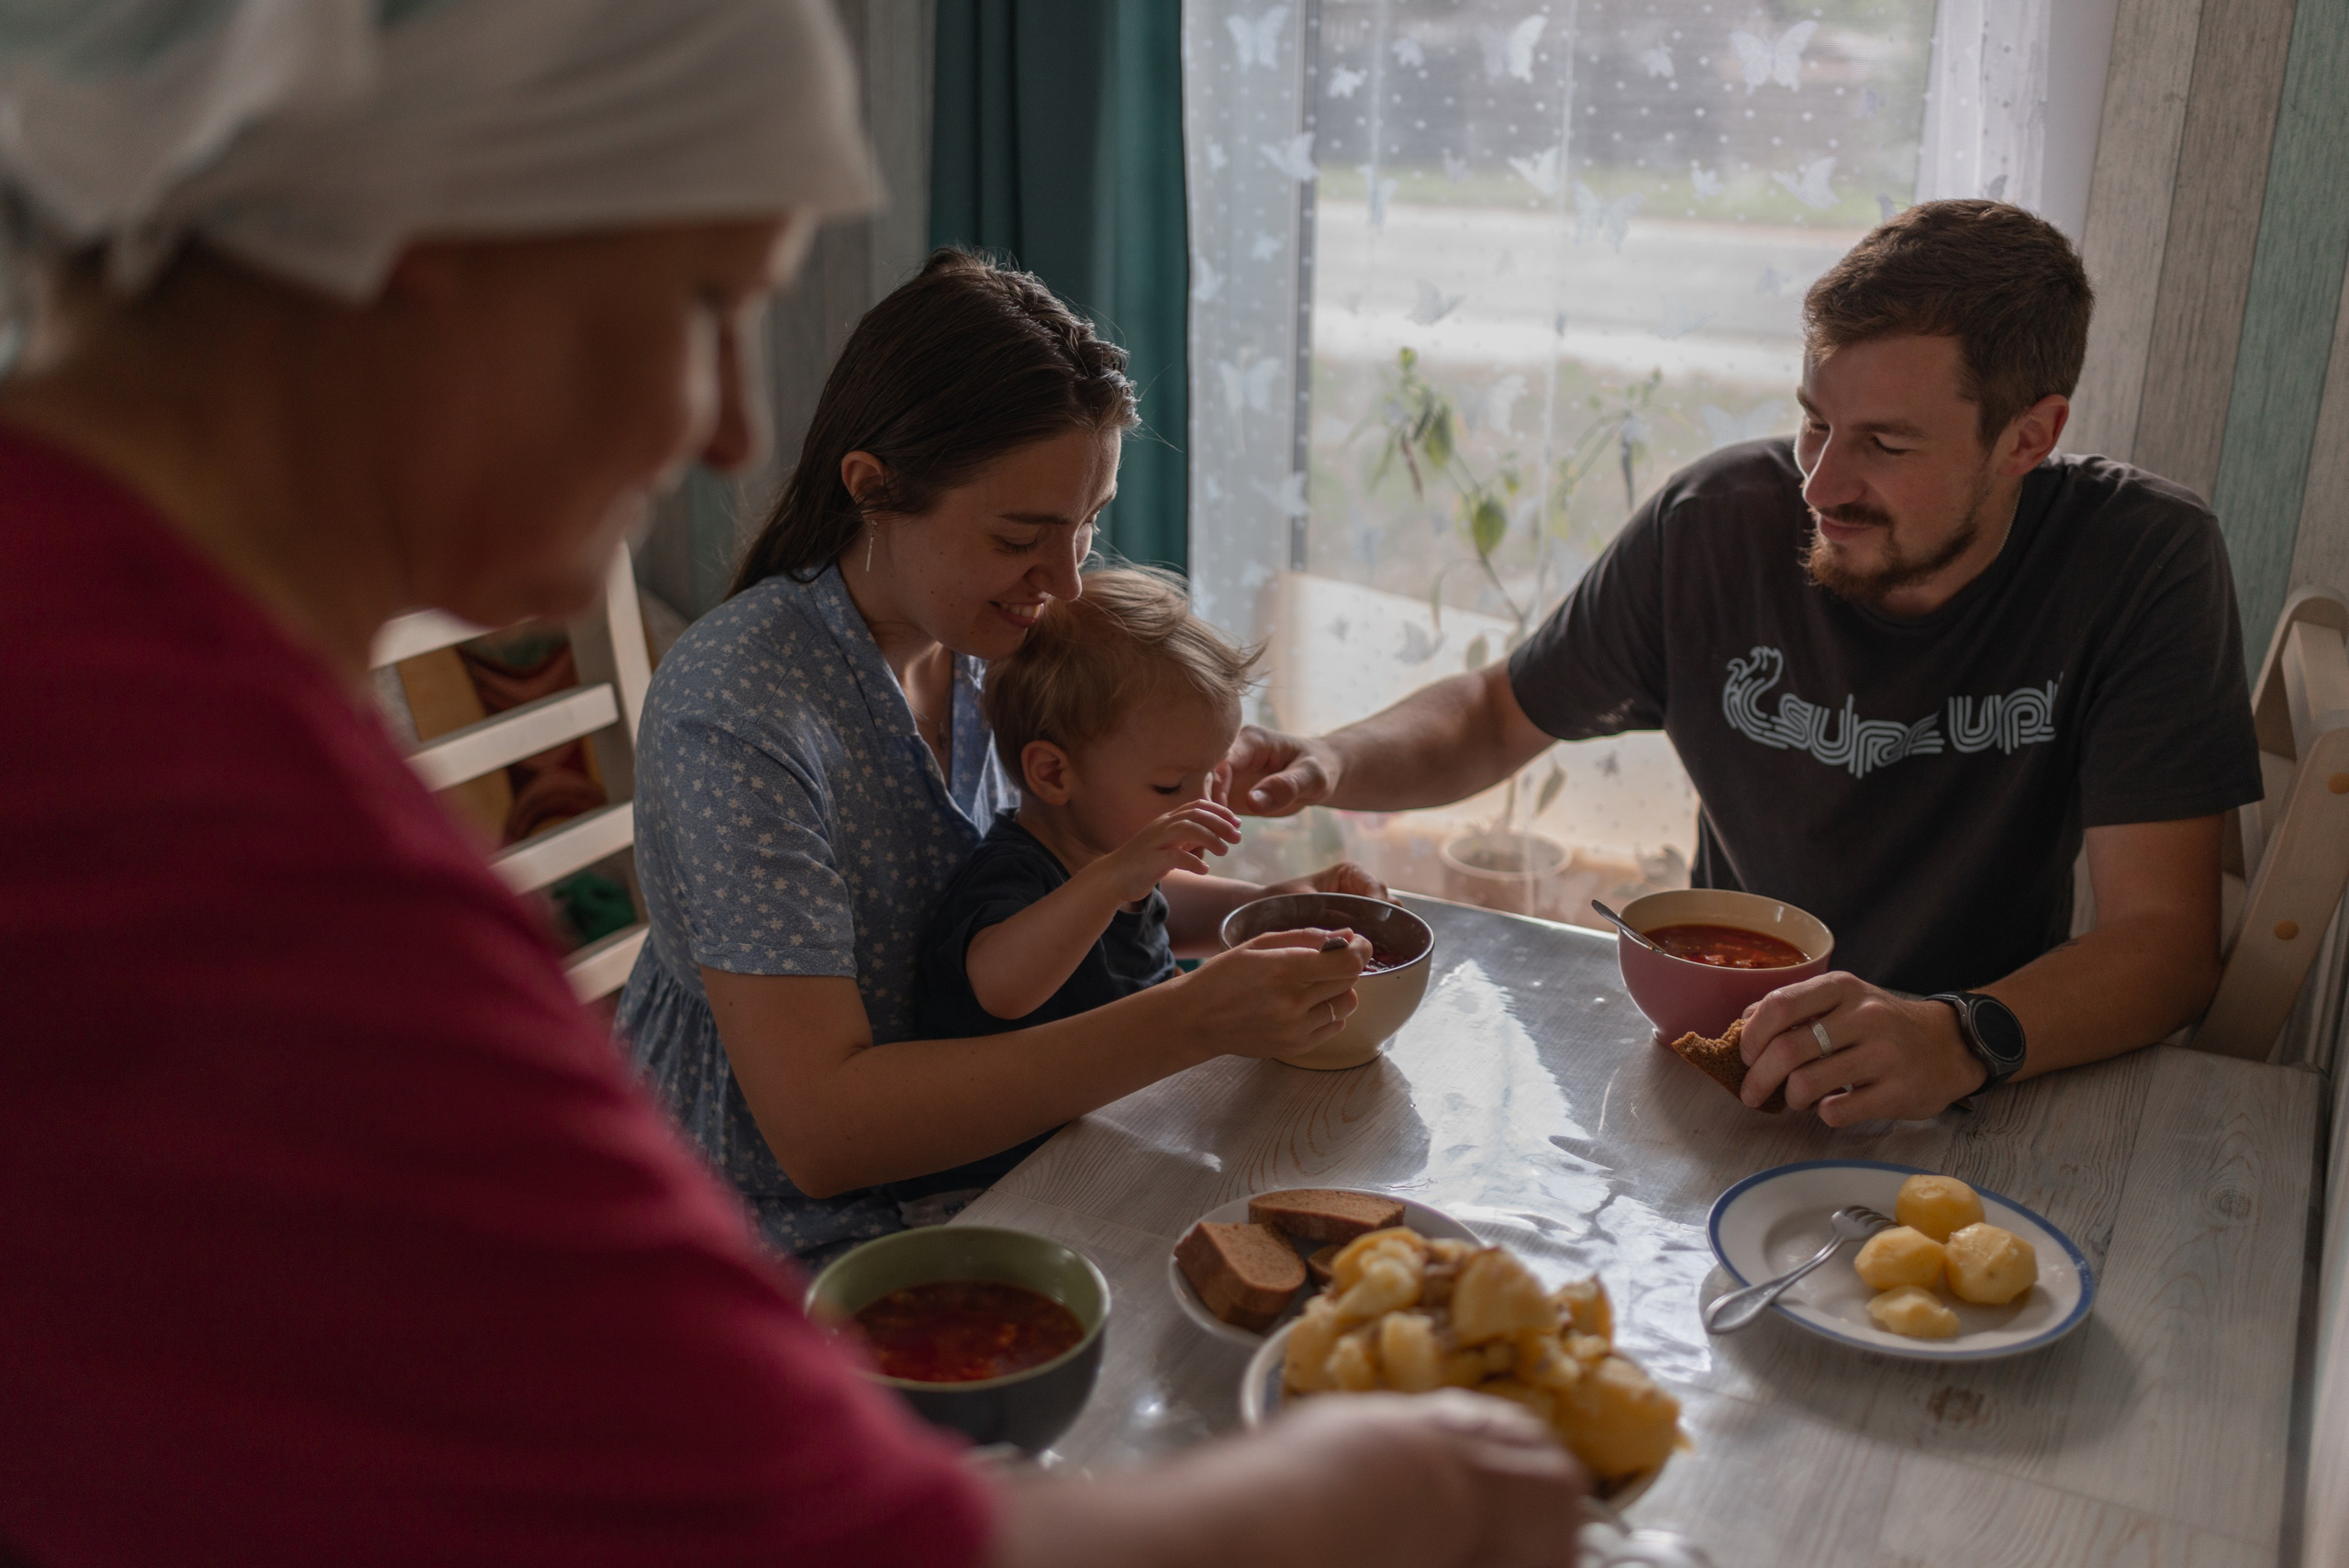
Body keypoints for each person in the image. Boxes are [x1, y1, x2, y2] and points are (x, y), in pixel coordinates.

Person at [0, 4, 1588, 1563]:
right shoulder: (200, 835)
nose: (730, 421)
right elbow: (816, 1485)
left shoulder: (152, 679)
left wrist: (1235, 908)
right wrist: (1383, 1497)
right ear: (444, 239)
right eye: (703, 303)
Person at [1222, 200, 2264, 1128]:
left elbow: (2165, 942)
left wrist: (1953, 1037)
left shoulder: (2141, 558)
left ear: (2028, 438)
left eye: (1885, 445)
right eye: (1814, 422)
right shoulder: (1717, 520)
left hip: (1989, 1071)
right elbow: (1496, 716)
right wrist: (1330, 754)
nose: (1821, 483)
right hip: (1720, 1057)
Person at [620, 252, 1378, 1262]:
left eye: (1089, 524)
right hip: (762, 1229)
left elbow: (1075, 880)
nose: (1066, 583)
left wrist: (1271, 909)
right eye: (1024, 533)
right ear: (873, 489)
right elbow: (822, 1134)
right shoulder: (741, 709)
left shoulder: (996, 647)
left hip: (1001, 1162)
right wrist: (1189, 1019)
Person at [915, 566, 1378, 1040]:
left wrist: (1289, 904)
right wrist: (1115, 880)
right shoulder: (1017, 871)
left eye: (1214, 774)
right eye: (1169, 786)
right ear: (1054, 774)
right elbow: (1000, 991)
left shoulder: (1114, 855)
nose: (1204, 803)